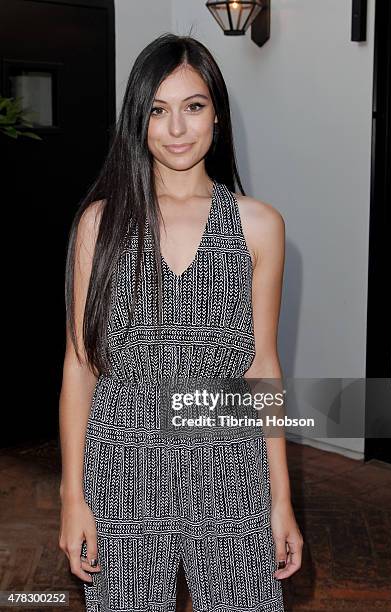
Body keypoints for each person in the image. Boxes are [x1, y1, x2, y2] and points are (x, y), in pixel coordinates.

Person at [58, 33, 303, 612]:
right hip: (122, 466)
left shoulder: (259, 226)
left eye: (193, 107)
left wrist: (281, 499)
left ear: (216, 111)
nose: (176, 129)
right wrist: (73, 495)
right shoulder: (102, 224)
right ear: (136, 119)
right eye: (158, 110)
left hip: (229, 470)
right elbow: (80, 362)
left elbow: (261, 367)